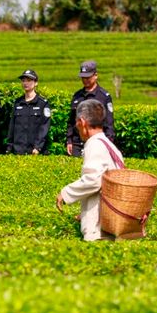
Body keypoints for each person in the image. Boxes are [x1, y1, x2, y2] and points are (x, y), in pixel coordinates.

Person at [56, 99, 125, 241]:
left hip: (99, 229)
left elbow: (93, 181)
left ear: (82, 122)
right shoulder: (110, 146)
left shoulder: (94, 145)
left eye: (76, 123)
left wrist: (65, 193)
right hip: (112, 220)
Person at [66, 60, 115, 156]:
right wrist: (69, 141)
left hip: (97, 143)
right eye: (83, 78)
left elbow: (109, 123)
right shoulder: (77, 96)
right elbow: (71, 121)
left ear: (95, 75)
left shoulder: (104, 96)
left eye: (88, 77)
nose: (85, 80)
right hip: (77, 144)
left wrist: (108, 143)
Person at [7, 69, 52, 155]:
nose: (25, 83)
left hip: (35, 151)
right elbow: (12, 126)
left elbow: (45, 127)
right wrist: (9, 146)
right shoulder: (18, 102)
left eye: (29, 80)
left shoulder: (43, 103)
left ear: (36, 83)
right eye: (23, 80)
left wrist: (37, 147)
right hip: (18, 151)